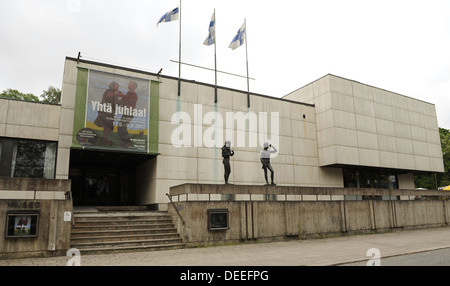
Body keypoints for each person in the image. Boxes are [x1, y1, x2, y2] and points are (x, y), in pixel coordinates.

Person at [94, 81, 120, 146]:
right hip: (106, 112)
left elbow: (117, 102)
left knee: (107, 126)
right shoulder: (109, 92)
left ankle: (104, 138)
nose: (118, 88)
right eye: (117, 86)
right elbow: (111, 97)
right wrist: (118, 95)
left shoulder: (113, 93)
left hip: (108, 112)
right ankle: (105, 139)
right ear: (113, 86)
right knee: (107, 126)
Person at [117, 81, 138, 148]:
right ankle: (124, 143)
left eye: (130, 84)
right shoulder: (128, 93)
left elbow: (129, 100)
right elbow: (122, 101)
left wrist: (122, 95)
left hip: (129, 113)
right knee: (121, 127)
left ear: (134, 87)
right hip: (126, 113)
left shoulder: (134, 95)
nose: (128, 85)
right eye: (128, 84)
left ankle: (127, 142)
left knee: (122, 127)